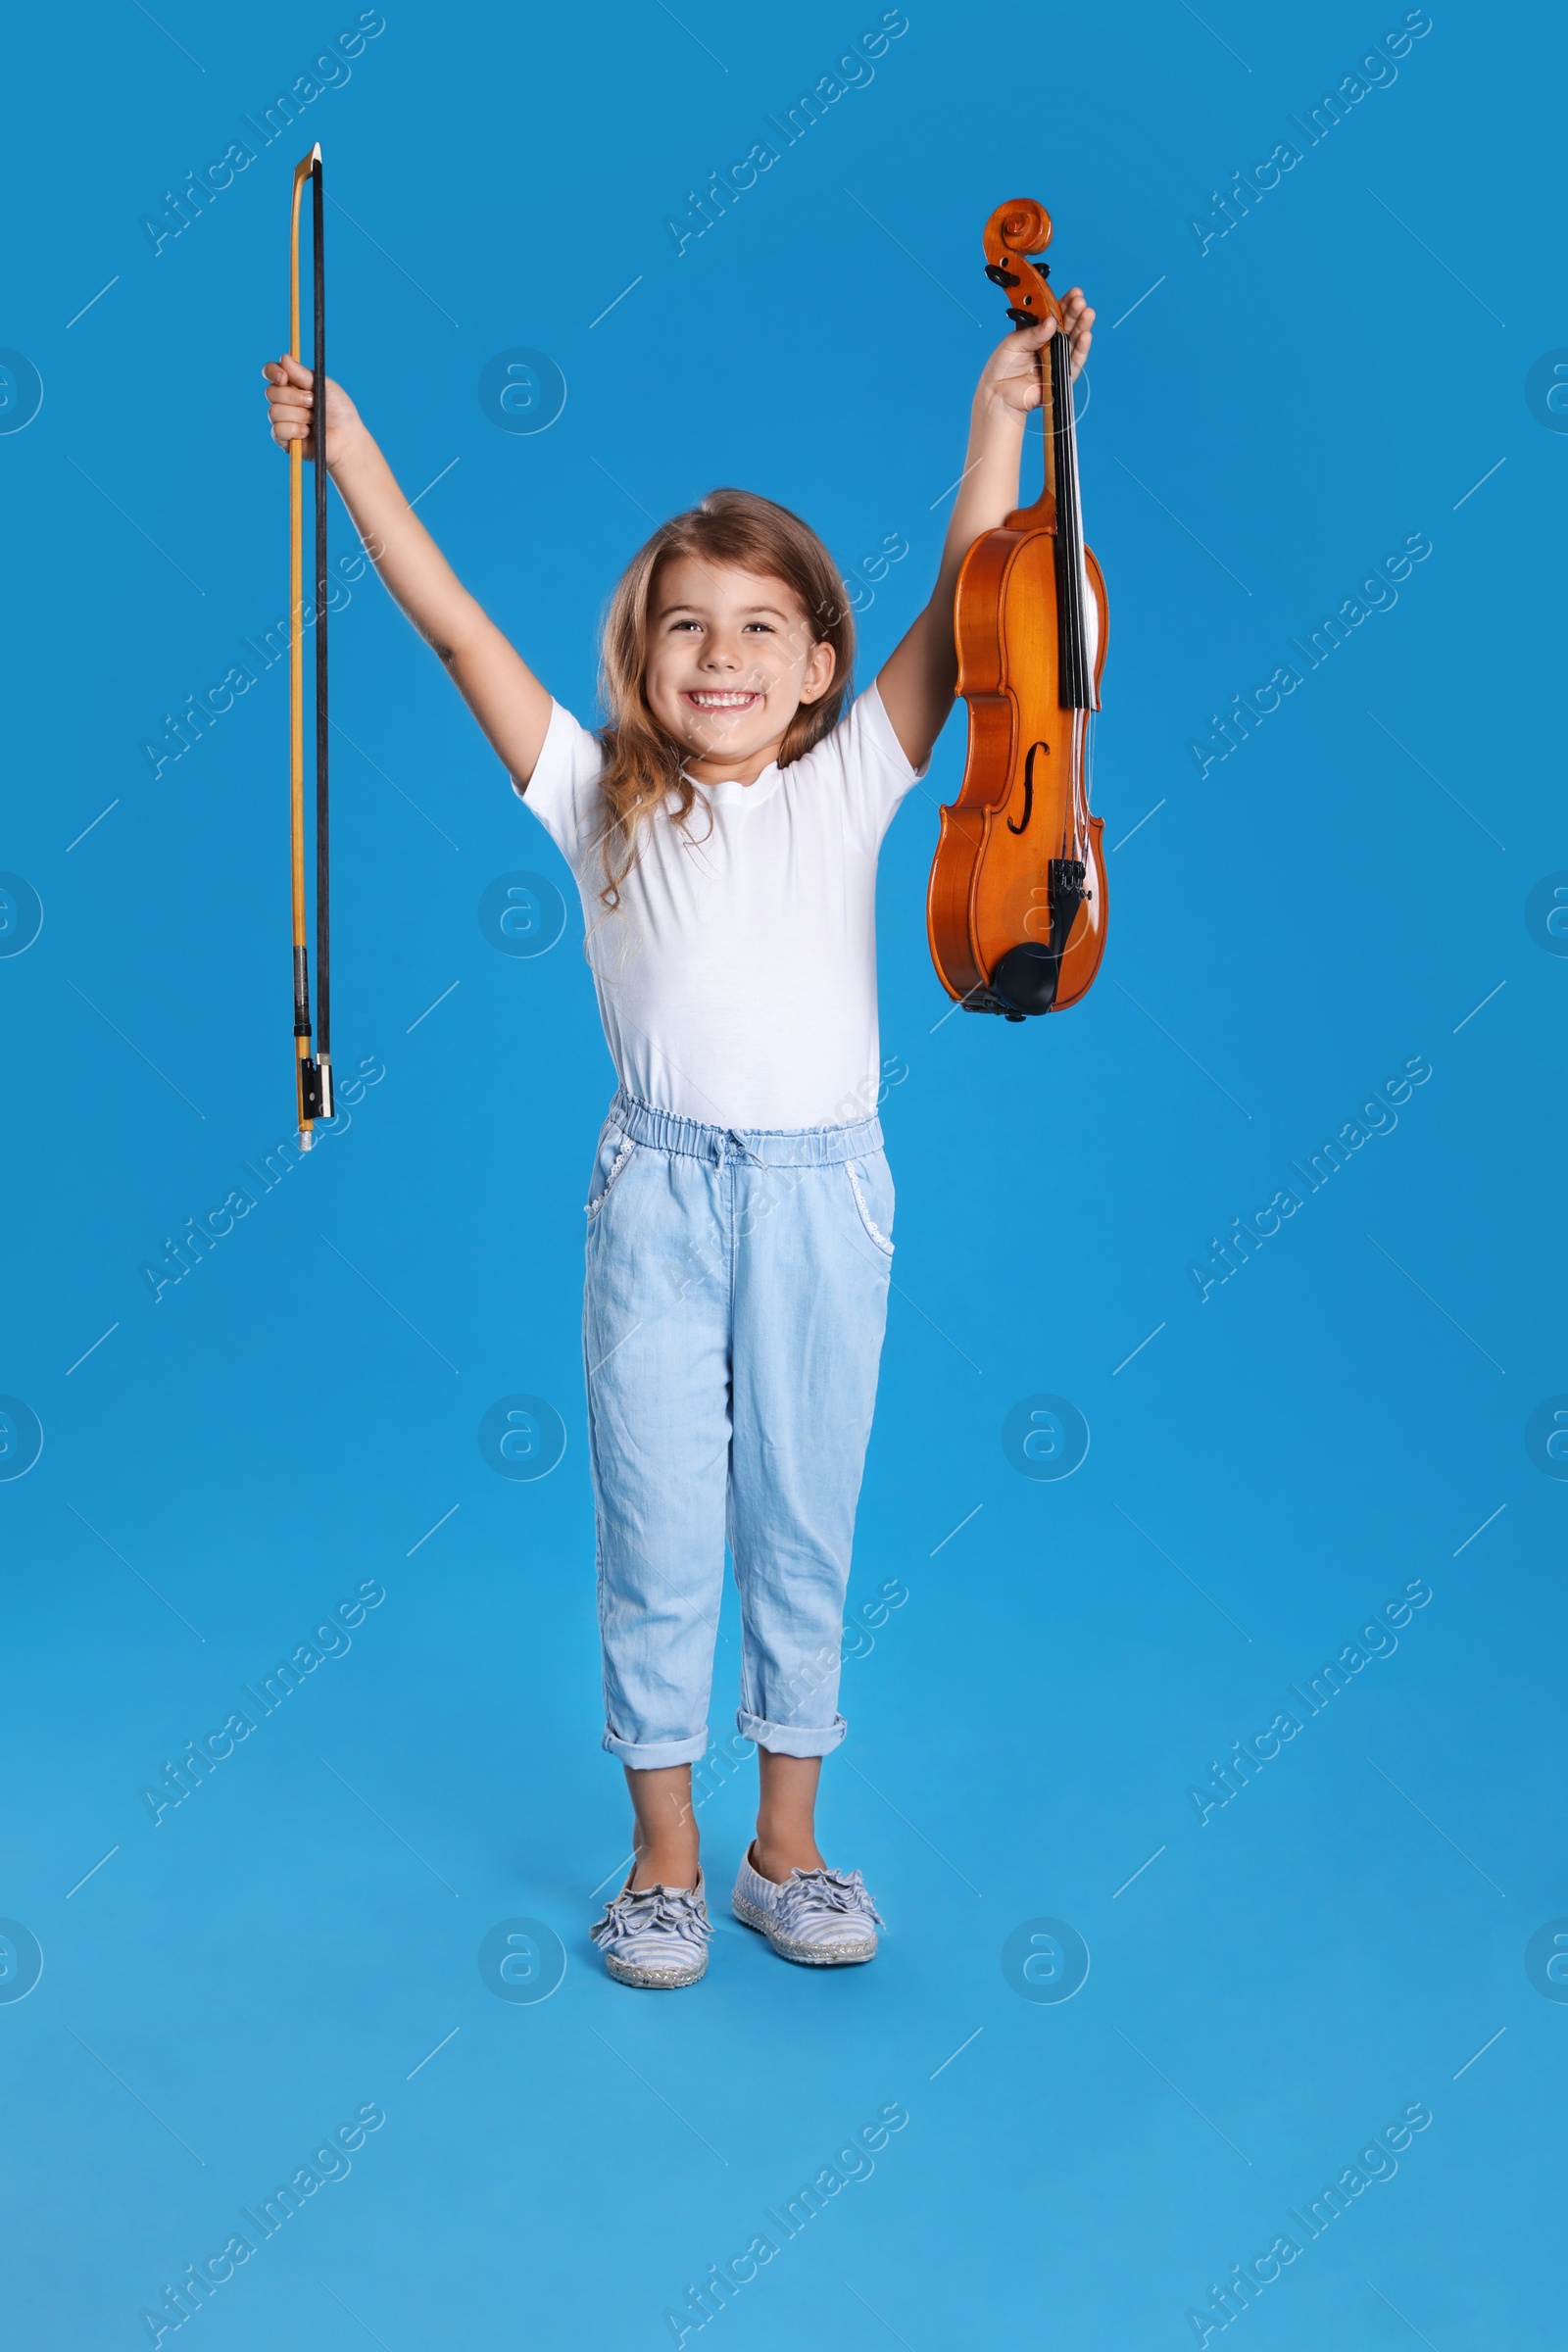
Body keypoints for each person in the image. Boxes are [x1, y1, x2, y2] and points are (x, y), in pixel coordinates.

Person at [263, 285, 1093, 1989]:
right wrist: (349, 456)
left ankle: (786, 1850)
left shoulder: (851, 783)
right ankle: (662, 1860)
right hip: (656, 1192)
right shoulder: (594, 797)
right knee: (654, 1527)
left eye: (759, 629)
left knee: (803, 1515)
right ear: (643, 661)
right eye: (687, 629)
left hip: (818, 1194)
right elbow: (455, 633)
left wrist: (998, 413)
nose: (722, 656)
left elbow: (972, 609)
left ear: (816, 669)